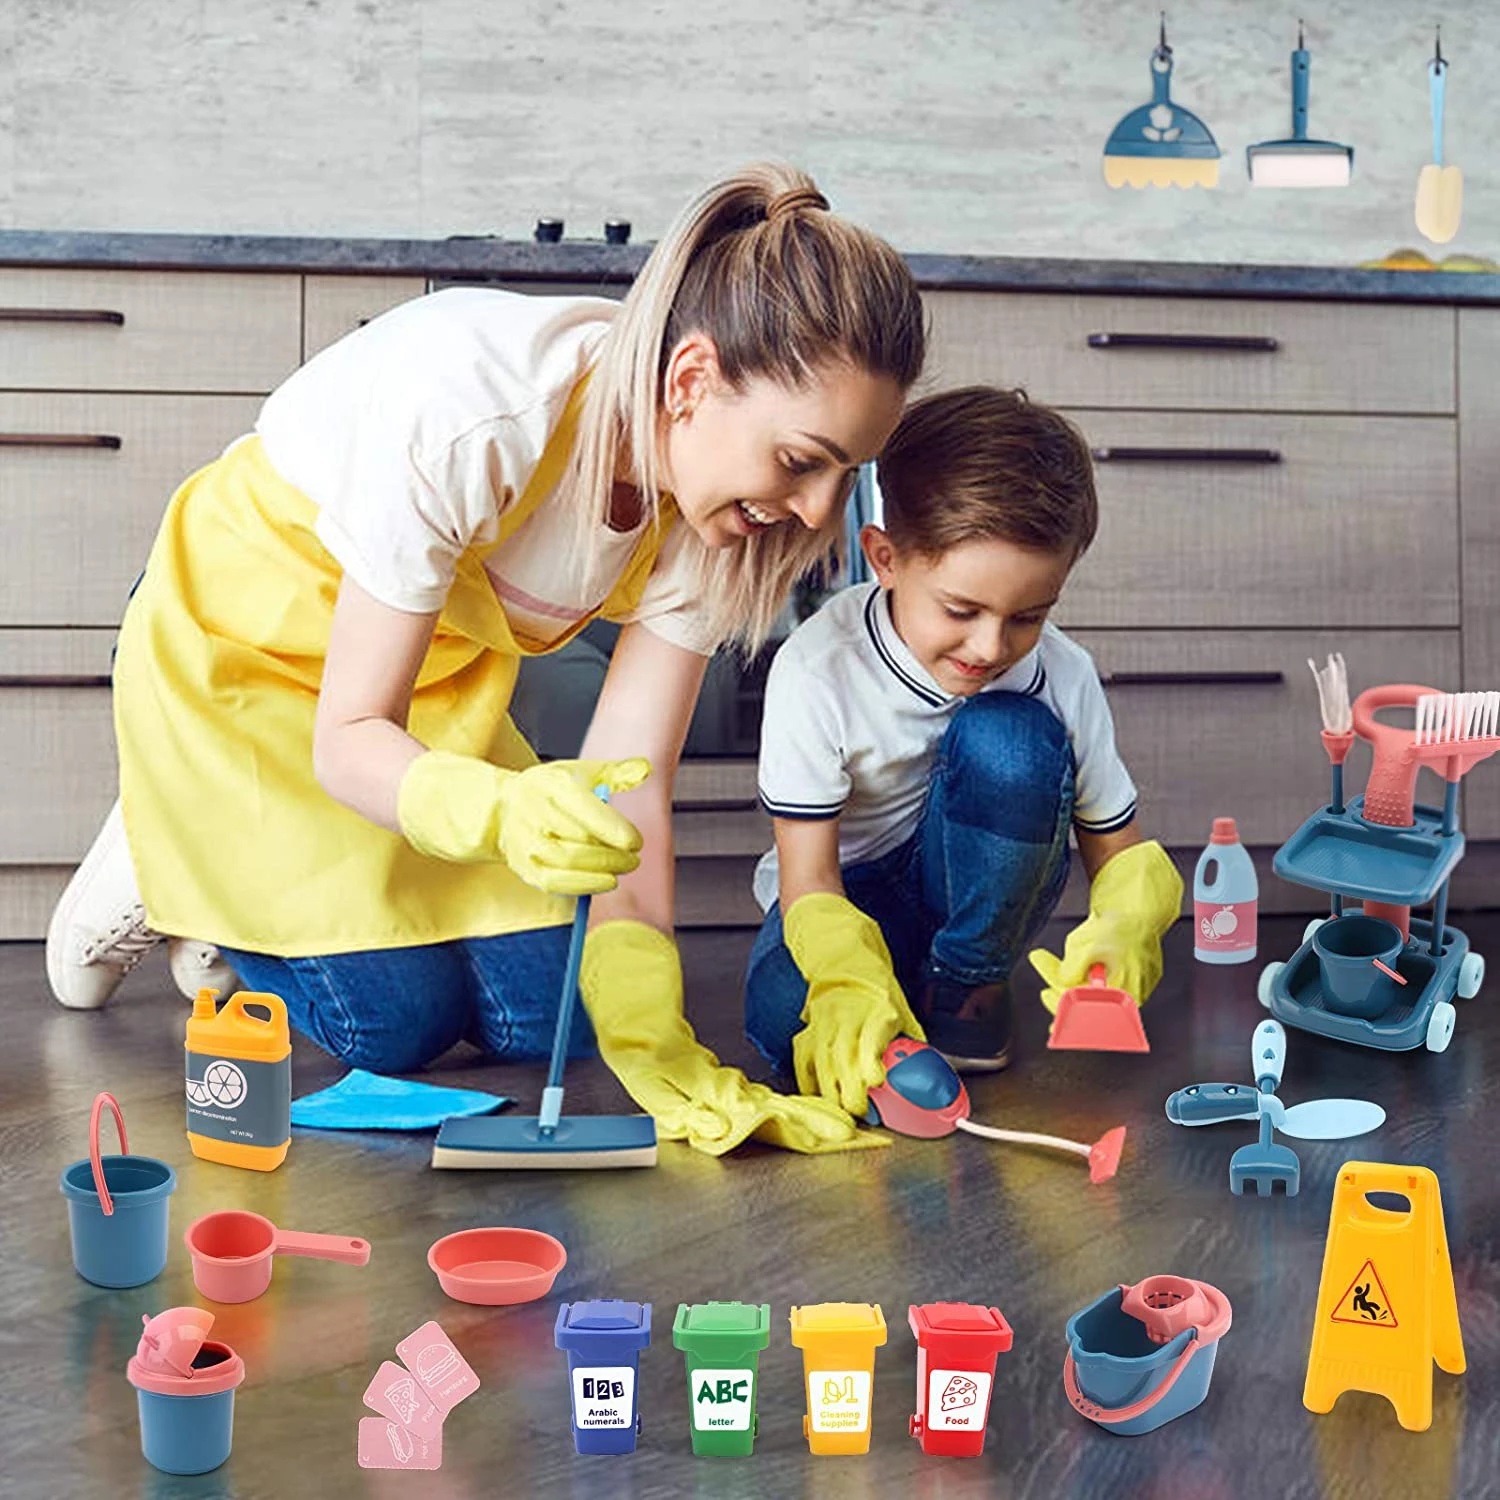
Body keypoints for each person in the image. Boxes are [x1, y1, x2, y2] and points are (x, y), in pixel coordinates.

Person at [46, 163, 926, 1157]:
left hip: (425, 682)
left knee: (562, 1013)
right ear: (690, 381)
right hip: (248, 658)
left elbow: (631, 780)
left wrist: (652, 1029)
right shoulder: (477, 416)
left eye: (844, 473)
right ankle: (166, 851)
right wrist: (503, 813)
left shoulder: (718, 516)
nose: (815, 511)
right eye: (802, 461)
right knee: (391, 1023)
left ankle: (232, 880)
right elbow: (348, 736)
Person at [743, 386, 1183, 1114]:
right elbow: (809, 878)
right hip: (844, 895)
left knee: (1012, 739)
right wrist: (844, 981)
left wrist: (1127, 926)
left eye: (1028, 616)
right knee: (785, 1019)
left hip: (977, 894)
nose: (990, 646)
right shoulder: (819, 668)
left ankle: (967, 986)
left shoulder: (1060, 673)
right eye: (960, 609)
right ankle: (891, 989)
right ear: (884, 557)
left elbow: (1119, 849)